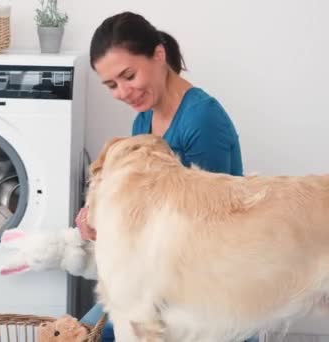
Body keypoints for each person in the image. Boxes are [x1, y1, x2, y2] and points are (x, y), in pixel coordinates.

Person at [77, 11, 254, 341]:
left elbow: (208, 226)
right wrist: (100, 217)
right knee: (81, 330)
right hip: (161, 273)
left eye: (129, 76)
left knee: (89, 333)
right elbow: (142, 205)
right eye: (112, 85)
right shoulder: (143, 119)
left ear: (158, 55)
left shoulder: (202, 119)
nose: (123, 92)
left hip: (205, 282)